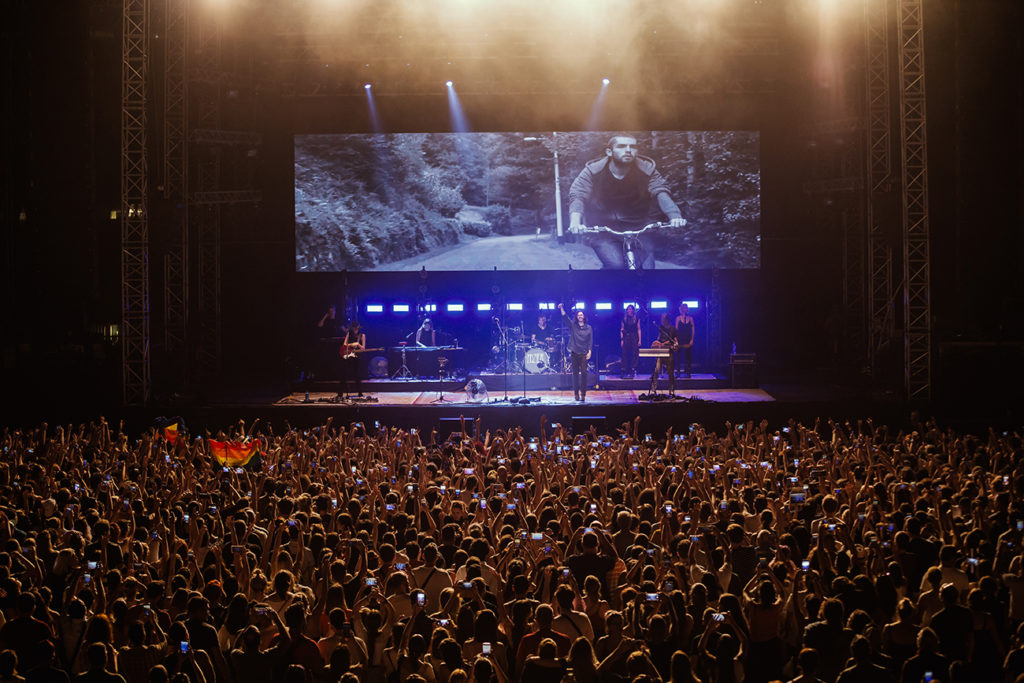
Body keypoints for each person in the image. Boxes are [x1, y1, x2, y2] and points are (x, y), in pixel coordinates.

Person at [567, 134, 686, 269]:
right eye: (622, 146)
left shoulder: (647, 170)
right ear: (609, 152)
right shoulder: (593, 171)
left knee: (647, 269)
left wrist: (674, 216)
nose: (628, 150)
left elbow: (660, 192)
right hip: (602, 230)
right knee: (616, 266)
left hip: (638, 228)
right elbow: (578, 195)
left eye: (633, 147)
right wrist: (575, 222)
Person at [558, 303, 593, 402]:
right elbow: (565, 318)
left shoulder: (589, 328)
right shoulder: (573, 326)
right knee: (575, 375)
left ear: (584, 316)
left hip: (583, 353)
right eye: (578, 315)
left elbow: (590, 340)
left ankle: (583, 394)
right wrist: (561, 308)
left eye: (581, 315)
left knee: (584, 374)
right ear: (577, 317)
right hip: (574, 353)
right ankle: (576, 394)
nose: (580, 316)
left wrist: (590, 351)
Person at [650, 313, 678, 396]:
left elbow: (675, 341)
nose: (661, 320)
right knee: (656, 370)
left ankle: (671, 390)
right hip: (661, 352)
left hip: (669, 352)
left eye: (663, 318)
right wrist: (656, 343)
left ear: (667, 320)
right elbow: (659, 339)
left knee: (670, 372)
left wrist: (675, 345)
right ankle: (653, 389)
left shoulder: (673, 329)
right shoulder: (661, 328)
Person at [340, 321, 366, 398]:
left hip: (357, 356)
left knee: (357, 374)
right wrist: (351, 344)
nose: (355, 330)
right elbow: (344, 344)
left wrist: (358, 344)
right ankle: (340, 392)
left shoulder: (362, 335)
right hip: (349, 355)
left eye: (356, 329)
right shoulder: (349, 334)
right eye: (354, 329)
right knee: (344, 374)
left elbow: (363, 348)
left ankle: (360, 392)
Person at [674, 302, 695, 378]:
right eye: (683, 307)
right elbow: (676, 329)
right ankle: (678, 372)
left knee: (688, 356)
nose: (685, 309)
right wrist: (676, 339)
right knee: (678, 356)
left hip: (687, 338)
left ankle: (688, 372)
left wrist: (692, 339)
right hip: (680, 338)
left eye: (686, 307)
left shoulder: (690, 318)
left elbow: (693, 329)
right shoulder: (678, 318)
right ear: (681, 309)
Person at [620, 305, 641, 378]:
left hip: (634, 337)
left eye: (631, 309)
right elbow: (622, 329)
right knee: (624, 353)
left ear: (633, 310)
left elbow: (639, 329)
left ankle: (633, 369)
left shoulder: (636, 319)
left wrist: (639, 340)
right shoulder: (624, 319)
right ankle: (623, 370)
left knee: (634, 353)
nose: (630, 310)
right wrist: (622, 340)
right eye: (628, 309)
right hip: (626, 336)